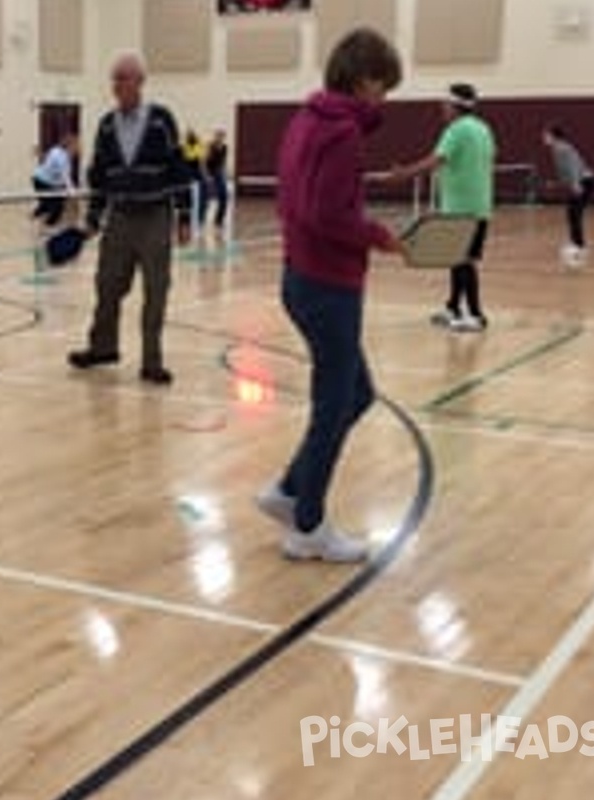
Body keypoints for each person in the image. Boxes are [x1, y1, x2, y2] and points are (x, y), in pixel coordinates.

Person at [254, 28, 405, 563]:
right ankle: (308, 525)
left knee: (356, 393)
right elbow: (329, 214)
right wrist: (380, 236)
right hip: (329, 284)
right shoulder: (341, 133)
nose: (383, 99)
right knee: (334, 403)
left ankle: (290, 490)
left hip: (300, 276)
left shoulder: (305, 121)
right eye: (383, 88)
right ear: (364, 80)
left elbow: (298, 202)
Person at [67, 51, 192, 386]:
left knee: (156, 291)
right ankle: (103, 348)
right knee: (106, 285)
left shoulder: (161, 119)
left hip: (155, 217)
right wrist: (93, 219)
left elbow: (178, 167)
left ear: (140, 82)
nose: (117, 86)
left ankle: (152, 363)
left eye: (123, 79)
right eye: (114, 79)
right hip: (120, 217)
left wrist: (184, 215)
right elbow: (100, 177)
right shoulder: (107, 125)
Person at [396, 84, 497, 332]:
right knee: (457, 258)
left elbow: (436, 160)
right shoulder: (483, 129)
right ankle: (453, 308)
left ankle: (475, 315)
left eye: (445, 104)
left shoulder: (456, 130)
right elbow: (492, 156)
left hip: (462, 208)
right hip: (479, 205)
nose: (442, 108)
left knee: (464, 261)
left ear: (456, 106)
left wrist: (403, 173)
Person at [542, 124, 594, 268]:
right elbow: (565, 173)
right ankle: (579, 246)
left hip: (585, 182)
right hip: (584, 182)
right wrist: (554, 184)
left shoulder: (561, 148)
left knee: (574, 213)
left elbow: (573, 166)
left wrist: (576, 184)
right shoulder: (559, 149)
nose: (544, 137)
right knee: (573, 214)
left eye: (546, 135)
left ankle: (579, 247)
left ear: (553, 136)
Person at [32, 132, 78, 228]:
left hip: (39, 180)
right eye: (75, 145)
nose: (77, 148)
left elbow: (46, 159)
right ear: (69, 146)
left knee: (47, 204)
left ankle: (37, 217)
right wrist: (73, 194)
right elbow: (66, 177)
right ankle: (47, 226)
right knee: (56, 207)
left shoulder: (56, 150)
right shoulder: (62, 158)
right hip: (43, 182)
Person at [182, 129, 209, 228]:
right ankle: (185, 218)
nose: (191, 137)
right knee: (186, 192)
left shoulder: (199, 145)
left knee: (205, 188)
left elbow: (202, 162)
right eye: (189, 135)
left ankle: (201, 217)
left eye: (193, 135)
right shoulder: (185, 146)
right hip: (187, 171)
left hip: (197, 171)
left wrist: (205, 175)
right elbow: (186, 158)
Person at [205, 128, 230, 231]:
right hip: (211, 173)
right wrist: (208, 176)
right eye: (218, 136)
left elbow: (222, 163)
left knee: (224, 197)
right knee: (208, 197)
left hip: (219, 173)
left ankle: (219, 220)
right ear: (215, 136)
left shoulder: (224, 148)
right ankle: (203, 218)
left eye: (222, 136)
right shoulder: (210, 147)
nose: (220, 138)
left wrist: (225, 173)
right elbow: (206, 162)